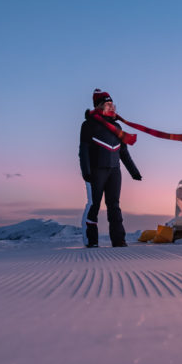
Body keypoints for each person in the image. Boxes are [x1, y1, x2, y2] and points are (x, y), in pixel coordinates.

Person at [79, 89, 142, 247]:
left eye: (111, 104)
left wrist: (134, 171)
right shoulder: (88, 125)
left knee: (114, 205)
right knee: (94, 204)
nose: (111, 107)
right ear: (98, 106)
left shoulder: (117, 127)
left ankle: (118, 239)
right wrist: (86, 171)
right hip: (95, 170)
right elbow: (84, 150)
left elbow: (124, 153)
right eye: (107, 104)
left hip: (114, 170)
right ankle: (91, 240)